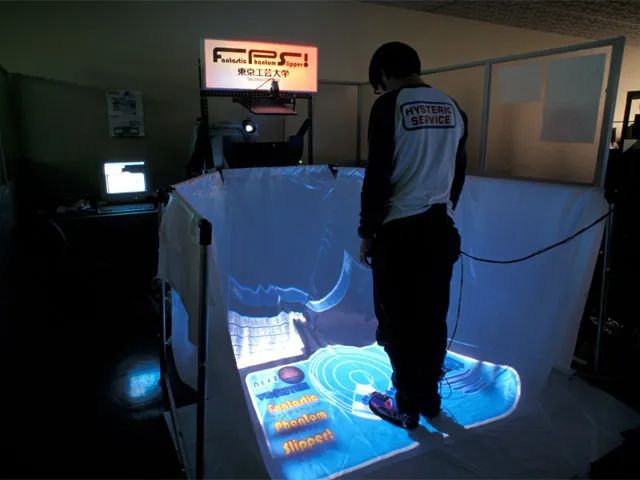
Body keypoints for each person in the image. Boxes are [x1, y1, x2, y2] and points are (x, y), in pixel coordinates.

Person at [358, 42, 467, 430]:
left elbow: (377, 175)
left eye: (379, 84)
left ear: (384, 74)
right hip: (439, 231)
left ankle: (405, 405)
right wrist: (446, 210)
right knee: (431, 317)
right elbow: (458, 173)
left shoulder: (388, 106)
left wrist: (366, 232)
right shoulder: (453, 107)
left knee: (396, 321)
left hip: (399, 234)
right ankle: (429, 398)